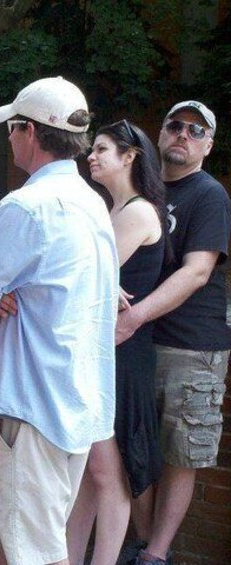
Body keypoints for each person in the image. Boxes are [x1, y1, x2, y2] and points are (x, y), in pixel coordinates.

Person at [0, 77, 118, 565]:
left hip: (31, 403)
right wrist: (4, 296)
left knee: (33, 551)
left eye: (12, 127)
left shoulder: (24, 206)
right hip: (79, 400)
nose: (8, 137)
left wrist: (0, 298)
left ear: (30, 131)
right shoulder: (94, 203)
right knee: (21, 535)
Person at [114, 101, 231, 565]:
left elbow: (197, 272)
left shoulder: (209, 195)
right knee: (134, 444)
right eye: (175, 126)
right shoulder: (144, 193)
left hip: (191, 346)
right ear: (159, 135)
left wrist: (133, 317)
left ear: (208, 144)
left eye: (195, 130)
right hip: (140, 344)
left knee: (181, 453)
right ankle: (142, 542)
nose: (183, 134)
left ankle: (156, 554)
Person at [66, 120, 166, 564]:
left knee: (108, 475)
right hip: (101, 352)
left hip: (122, 357)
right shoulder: (109, 210)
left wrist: (99, 284)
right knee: (91, 473)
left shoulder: (139, 212)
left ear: (130, 156)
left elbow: (85, 278)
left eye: (102, 149)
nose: (92, 155)